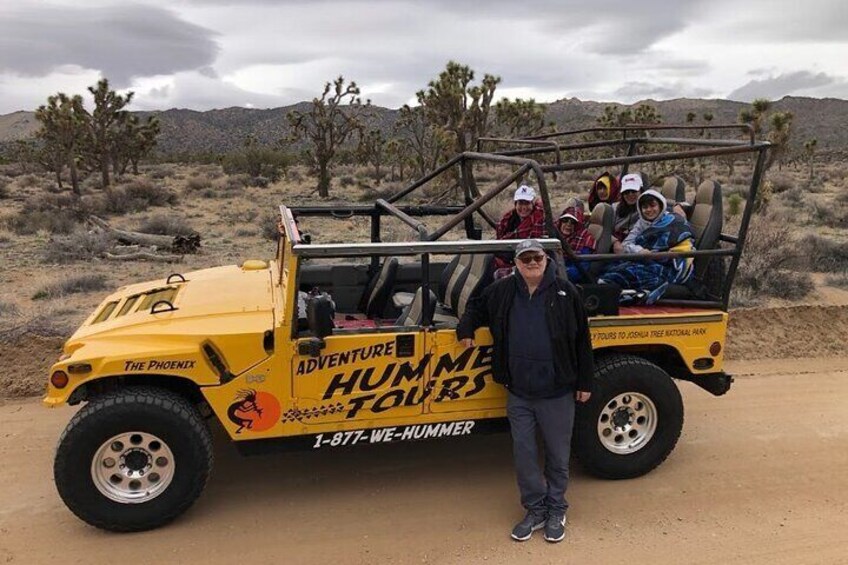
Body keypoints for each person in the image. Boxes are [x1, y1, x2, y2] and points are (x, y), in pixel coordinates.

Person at [457, 239, 594, 543]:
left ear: (546, 260)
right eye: (525, 258)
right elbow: (477, 306)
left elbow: (582, 340)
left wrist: (585, 382)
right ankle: (535, 509)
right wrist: (466, 327)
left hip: (557, 391)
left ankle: (557, 508)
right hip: (518, 391)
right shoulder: (503, 290)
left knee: (558, 455)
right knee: (525, 455)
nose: (532, 262)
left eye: (537, 257)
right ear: (516, 263)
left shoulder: (566, 293)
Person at [603, 189, 695, 297]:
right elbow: (626, 244)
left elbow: (684, 247)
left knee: (624, 273)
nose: (649, 210)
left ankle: (622, 294)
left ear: (660, 206)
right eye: (645, 207)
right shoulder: (641, 223)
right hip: (646, 260)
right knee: (609, 267)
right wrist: (640, 251)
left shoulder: (674, 221)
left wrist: (658, 255)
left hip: (669, 266)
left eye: (652, 206)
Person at [493, 185, 546, 275]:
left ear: (532, 204)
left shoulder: (539, 219)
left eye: (527, 203)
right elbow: (501, 239)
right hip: (509, 256)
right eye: (520, 203)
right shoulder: (509, 219)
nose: (524, 207)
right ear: (515, 204)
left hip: (529, 260)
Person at [556, 205, 596, 282]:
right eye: (565, 220)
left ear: (578, 225)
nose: (568, 224)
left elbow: (582, 267)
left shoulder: (586, 238)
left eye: (573, 222)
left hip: (572, 272)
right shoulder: (554, 234)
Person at [612, 173, 642, 244]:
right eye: (626, 192)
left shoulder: (648, 209)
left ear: (641, 191)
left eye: (634, 191)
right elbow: (606, 232)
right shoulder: (614, 208)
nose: (630, 194)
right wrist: (615, 242)